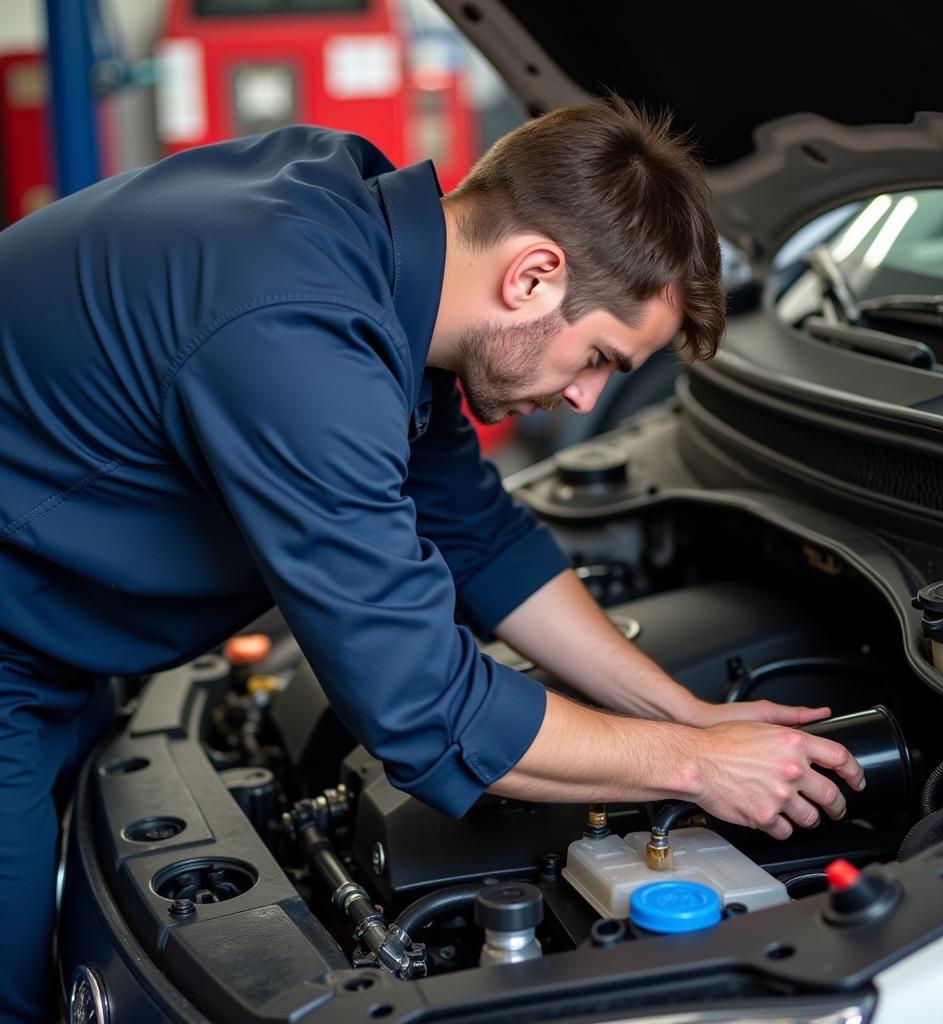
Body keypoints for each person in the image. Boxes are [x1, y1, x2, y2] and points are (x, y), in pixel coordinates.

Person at [0, 97, 863, 1021]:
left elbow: (481, 538)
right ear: (534, 275)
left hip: (53, 631)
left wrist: (688, 716)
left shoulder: (369, 236)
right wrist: (697, 772)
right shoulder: (297, 324)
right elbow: (420, 706)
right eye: (602, 357)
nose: (585, 400)